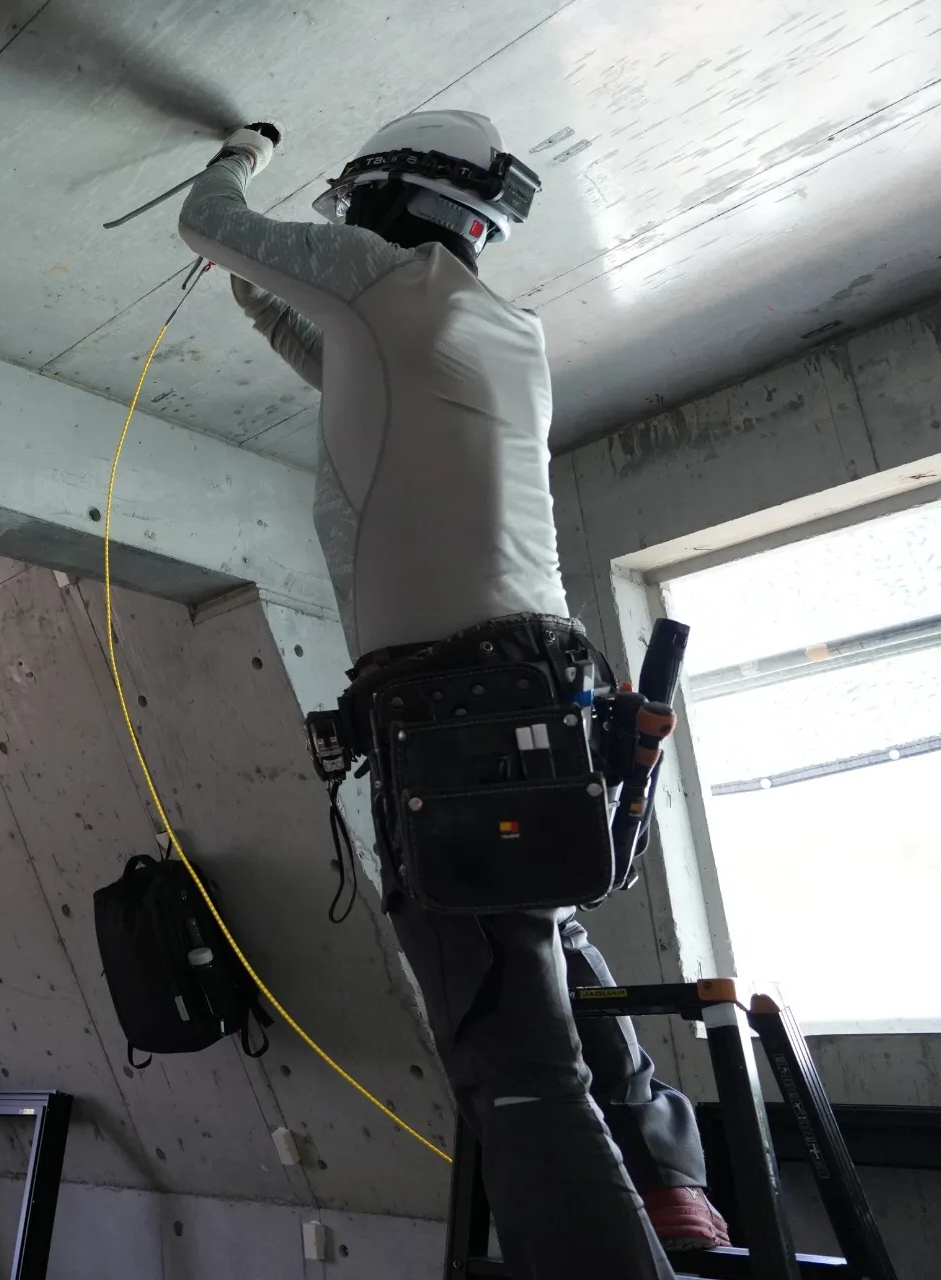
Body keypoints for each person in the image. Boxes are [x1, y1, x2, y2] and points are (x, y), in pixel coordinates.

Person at [179, 114, 731, 1278]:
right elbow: (333, 356)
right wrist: (253, 295)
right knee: (544, 939)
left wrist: (239, 152)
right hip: (540, 691)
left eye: (357, 208)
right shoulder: (496, 328)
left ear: (392, 201)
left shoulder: (382, 276)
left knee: (512, 1053)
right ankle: (669, 1178)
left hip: (455, 710)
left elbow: (207, 220)